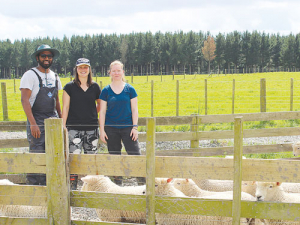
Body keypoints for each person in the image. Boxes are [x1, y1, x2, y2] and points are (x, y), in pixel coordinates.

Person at [20, 44, 62, 185]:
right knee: (37, 154)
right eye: (43, 55)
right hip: (36, 119)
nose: (46, 58)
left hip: (53, 120)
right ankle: (33, 187)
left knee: (53, 152)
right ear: (37, 57)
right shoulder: (30, 75)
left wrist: (61, 120)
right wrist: (33, 124)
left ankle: (48, 185)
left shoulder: (55, 76)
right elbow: (24, 100)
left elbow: (57, 101)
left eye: (49, 56)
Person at [99, 60, 145, 185]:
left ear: (123, 72)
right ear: (110, 72)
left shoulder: (130, 89)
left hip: (128, 128)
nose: (116, 73)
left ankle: (142, 183)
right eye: (114, 71)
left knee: (135, 154)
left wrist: (135, 127)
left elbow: (135, 110)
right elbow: (102, 112)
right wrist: (102, 130)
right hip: (111, 128)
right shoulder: (106, 91)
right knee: (114, 156)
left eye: (118, 70)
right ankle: (118, 184)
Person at [62, 58, 101, 189]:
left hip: (92, 128)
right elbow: (65, 107)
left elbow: (100, 104)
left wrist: (90, 114)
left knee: (91, 158)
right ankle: (72, 187)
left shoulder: (95, 87)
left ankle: (91, 187)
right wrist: (63, 126)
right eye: (80, 67)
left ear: (89, 69)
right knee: (74, 158)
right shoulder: (69, 87)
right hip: (74, 128)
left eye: (85, 67)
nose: (83, 70)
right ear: (76, 69)